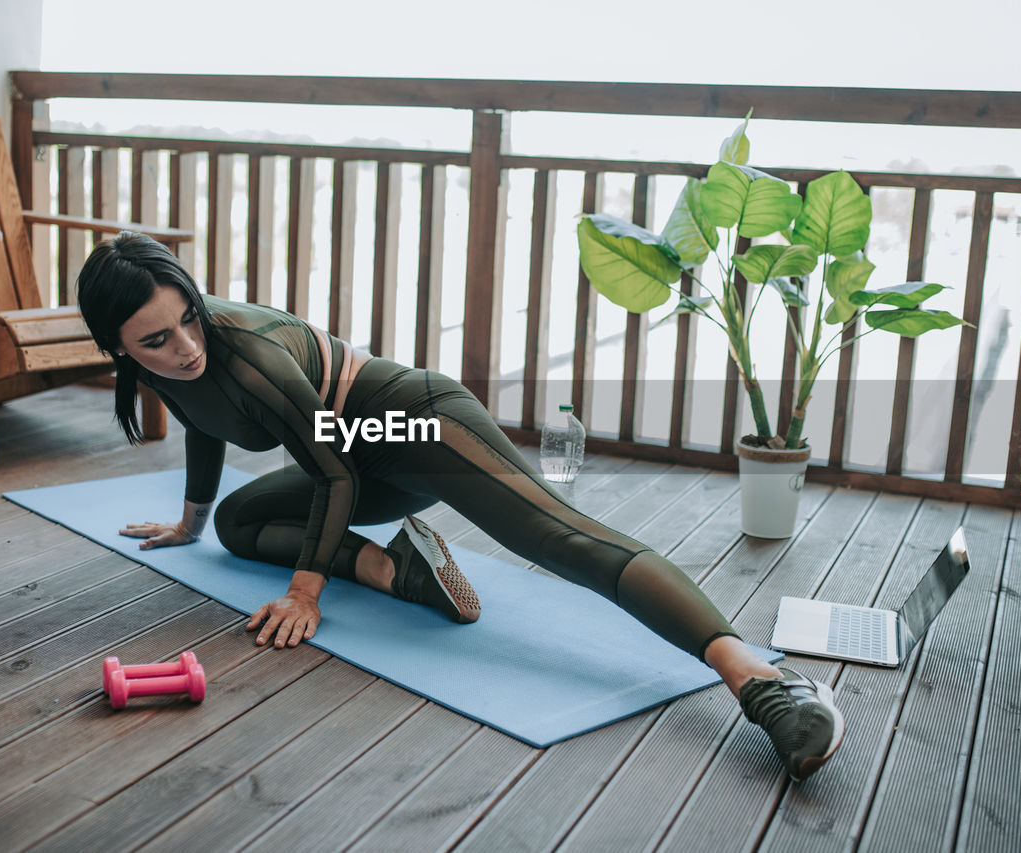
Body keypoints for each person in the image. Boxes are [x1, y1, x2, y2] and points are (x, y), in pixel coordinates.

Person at [76, 232, 845, 781]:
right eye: (155, 338)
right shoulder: (175, 364)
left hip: (413, 425)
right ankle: (398, 569)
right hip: (354, 452)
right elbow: (202, 421)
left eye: (187, 317)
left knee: (559, 539)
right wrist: (191, 521)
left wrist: (306, 592)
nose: (182, 345)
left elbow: (333, 476)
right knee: (241, 527)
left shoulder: (244, 355)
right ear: (118, 346)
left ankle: (759, 679)